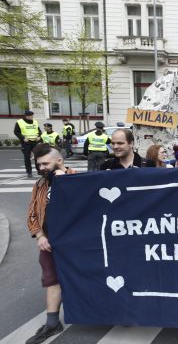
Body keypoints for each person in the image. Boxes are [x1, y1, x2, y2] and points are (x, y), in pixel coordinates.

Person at [25, 144, 77, 344]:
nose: (41, 168)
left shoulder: (78, 178)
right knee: (51, 279)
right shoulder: (39, 185)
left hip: (75, 243)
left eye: (45, 163)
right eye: (38, 164)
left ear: (59, 162)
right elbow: (31, 214)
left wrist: (67, 183)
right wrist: (40, 236)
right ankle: (53, 323)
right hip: (50, 242)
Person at [14, 110, 42, 178]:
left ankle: (39, 170)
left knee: (37, 156)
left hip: (34, 141)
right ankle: (29, 172)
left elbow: (39, 131)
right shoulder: (20, 122)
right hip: (26, 142)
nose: (32, 117)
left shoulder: (35, 121)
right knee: (27, 157)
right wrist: (23, 138)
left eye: (32, 116)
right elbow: (16, 132)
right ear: (26, 116)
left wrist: (39, 136)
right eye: (31, 116)